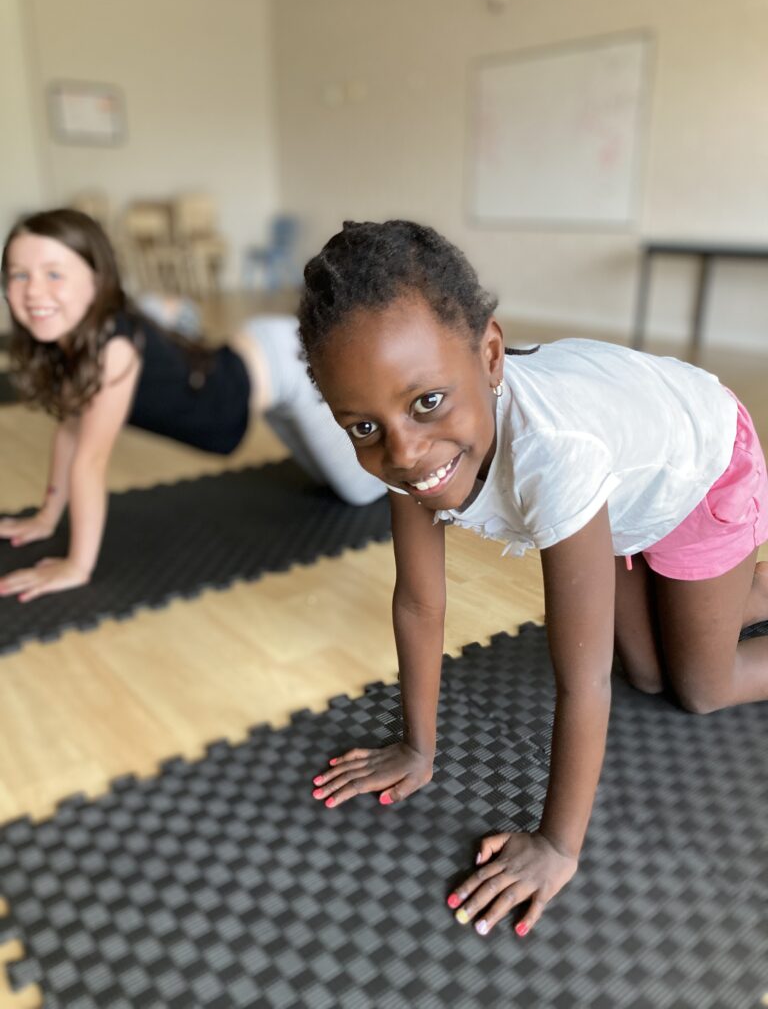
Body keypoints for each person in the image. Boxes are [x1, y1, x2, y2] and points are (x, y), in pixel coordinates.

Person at [299, 219, 768, 939]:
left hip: (703, 467)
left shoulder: (555, 454)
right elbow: (421, 602)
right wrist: (416, 748)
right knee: (645, 674)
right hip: (628, 500)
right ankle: (731, 591)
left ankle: (729, 580)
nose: (404, 452)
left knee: (701, 688)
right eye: (362, 427)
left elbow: (580, 679)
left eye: (428, 402)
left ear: (490, 353)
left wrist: (556, 846)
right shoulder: (405, 444)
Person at [0, 208, 384, 602]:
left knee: (365, 487)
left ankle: (433, 430)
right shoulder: (73, 340)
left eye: (54, 273)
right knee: (332, 482)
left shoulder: (111, 348)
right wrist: (46, 518)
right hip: (262, 377)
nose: (33, 290)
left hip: (290, 367)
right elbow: (70, 429)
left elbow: (90, 461)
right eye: (19, 274)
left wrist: (75, 566)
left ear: (97, 279)